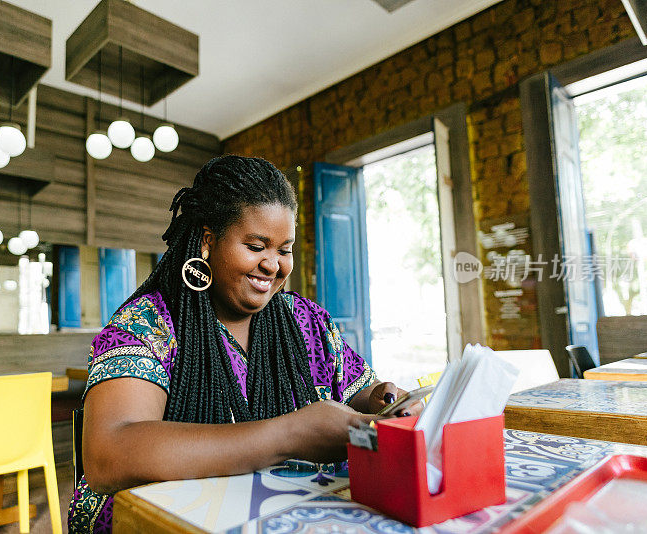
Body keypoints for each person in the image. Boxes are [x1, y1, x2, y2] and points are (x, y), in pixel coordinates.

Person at [68, 156, 420, 532]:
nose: (273, 265)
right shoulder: (149, 323)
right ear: (208, 241)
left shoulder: (306, 321)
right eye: (256, 246)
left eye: (284, 250)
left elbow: (359, 394)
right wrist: (288, 435)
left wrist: (381, 401)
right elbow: (108, 456)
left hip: (295, 514)